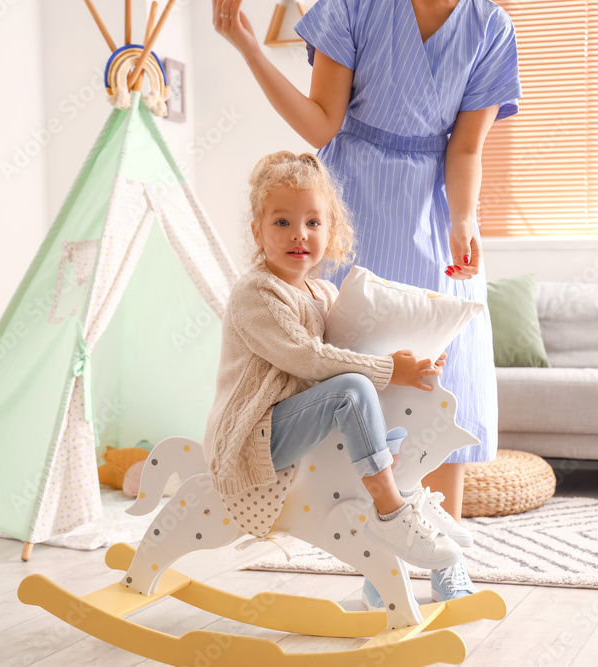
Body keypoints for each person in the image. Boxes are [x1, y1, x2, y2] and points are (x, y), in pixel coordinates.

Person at [212, 0, 521, 603]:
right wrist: (250, 47)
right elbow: (322, 124)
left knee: (445, 372)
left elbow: (465, 149)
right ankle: (383, 558)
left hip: (433, 216)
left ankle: (445, 552)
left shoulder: (491, 27)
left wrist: (464, 221)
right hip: (355, 205)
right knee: (365, 372)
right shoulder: (355, 6)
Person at [203, 150, 470, 571]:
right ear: (257, 232)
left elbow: (355, 349)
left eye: (312, 223)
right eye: (282, 222)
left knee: (391, 413)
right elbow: (309, 359)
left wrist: (414, 358)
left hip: (302, 421)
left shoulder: (325, 294)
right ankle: (391, 513)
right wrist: (386, 370)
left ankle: (411, 497)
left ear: (331, 231)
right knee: (353, 388)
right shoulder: (255, 294)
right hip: (256, 431)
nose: (299, 235)